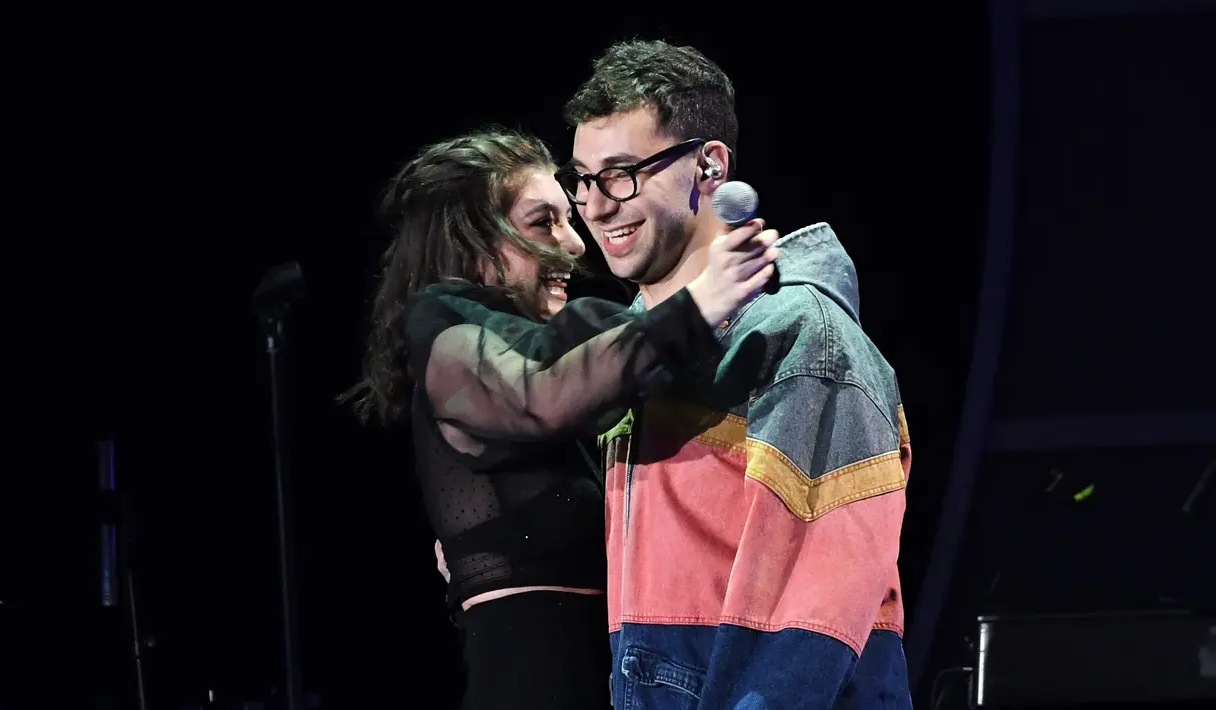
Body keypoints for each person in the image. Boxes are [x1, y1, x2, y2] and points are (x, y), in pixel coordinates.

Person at [342, 126, 779, 710]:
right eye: (542, 223)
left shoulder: (550, 352)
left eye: (566, 220)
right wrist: (695, 307)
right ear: (471, 243)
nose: (575, 245)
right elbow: (543, 393)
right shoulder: (445, 339)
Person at [557, 40, 914, 709]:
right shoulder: (628, 365)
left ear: (708, 167)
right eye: (581, 179)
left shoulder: (803, 338)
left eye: (621, 173)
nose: (597, 205)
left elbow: (815, 607)